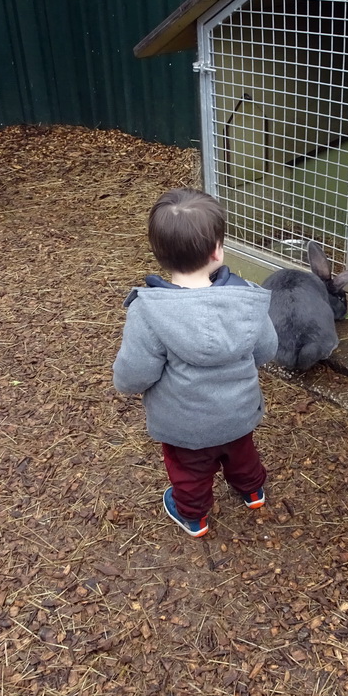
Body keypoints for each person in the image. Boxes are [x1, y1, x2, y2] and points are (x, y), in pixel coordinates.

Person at [113, 188, 278, 538]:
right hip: (239, 412)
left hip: (183, 425)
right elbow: (266, 349)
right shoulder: (245, 296)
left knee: (189, 471)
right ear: (217, 249)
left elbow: (134, 375)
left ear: (159, 254)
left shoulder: (149, 311)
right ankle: (252, 491)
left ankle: (194, 516)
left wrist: (126, 385)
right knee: (241, 453)